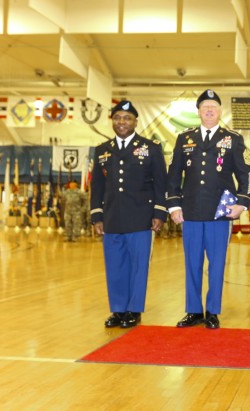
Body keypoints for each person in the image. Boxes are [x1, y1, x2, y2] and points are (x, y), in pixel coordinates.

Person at [167, 89, 250, 329]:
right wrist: (174, 205)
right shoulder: (185, 139)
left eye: (213, 106)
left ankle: (213, 311)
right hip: (191, 211)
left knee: (217, 264)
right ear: (198, 111)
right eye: (204, 106)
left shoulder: (233, 138)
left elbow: (245, 174)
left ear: (220, 111)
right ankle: (193, 311)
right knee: (192, 263)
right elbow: (173, 174)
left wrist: (242, 203)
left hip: (220, 213)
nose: (209, 110)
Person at [90, 100, 168, 329]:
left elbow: (160, 183)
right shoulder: (102, 150)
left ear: (135, 121)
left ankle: (134, 310)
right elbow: (98, 186)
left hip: (140, 217)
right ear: (112, 121)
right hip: (112, 218)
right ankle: (118, 310)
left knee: (137, 266)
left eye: (126, 118)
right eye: (117, 118)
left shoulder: (151, 147)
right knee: (115, 266)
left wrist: (159, 213)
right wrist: (97, 216)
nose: (121, 122)